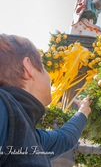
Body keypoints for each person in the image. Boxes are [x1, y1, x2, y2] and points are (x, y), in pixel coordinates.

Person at [0, 34, 92, 166]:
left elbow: (65, 138)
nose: (48, 75)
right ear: (29, 67)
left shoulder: (30, 136)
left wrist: (82, 112)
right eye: (43, 67)